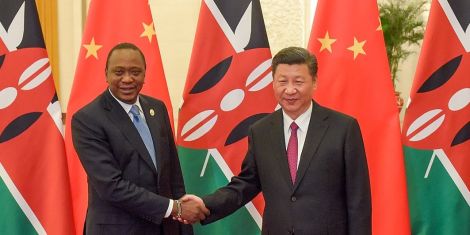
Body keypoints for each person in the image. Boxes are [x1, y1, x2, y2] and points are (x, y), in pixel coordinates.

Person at [180, 46, 371, 234]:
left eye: (298, 82)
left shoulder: (343, 128)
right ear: (273, 83)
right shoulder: (261, 131)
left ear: (314, 82)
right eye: (282, 81)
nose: (289, 90)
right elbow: (247, 184)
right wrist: (206, 204)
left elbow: (358, 200)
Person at [71, 42, 207, 234]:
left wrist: (182, 223)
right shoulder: (87, 119)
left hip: (164, 228)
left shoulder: (157, 109)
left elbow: (173, 174)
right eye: (119, 72)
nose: (127, 79)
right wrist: (173, 208)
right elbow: (111, 186)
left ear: (144, 73)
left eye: (135, 72)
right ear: (106, 74)